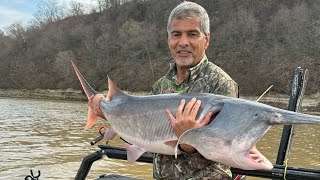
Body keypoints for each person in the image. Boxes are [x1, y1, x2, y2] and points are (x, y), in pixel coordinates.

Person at [89, 1, 262, 179]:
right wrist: (112, 115)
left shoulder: (221, 84)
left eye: (192, 34)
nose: (183, 42)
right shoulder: (160, 86)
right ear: (169, 40)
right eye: (176, 34)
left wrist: (188, 140)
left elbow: (222, 152)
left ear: (206, 39)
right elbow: (146, 138)